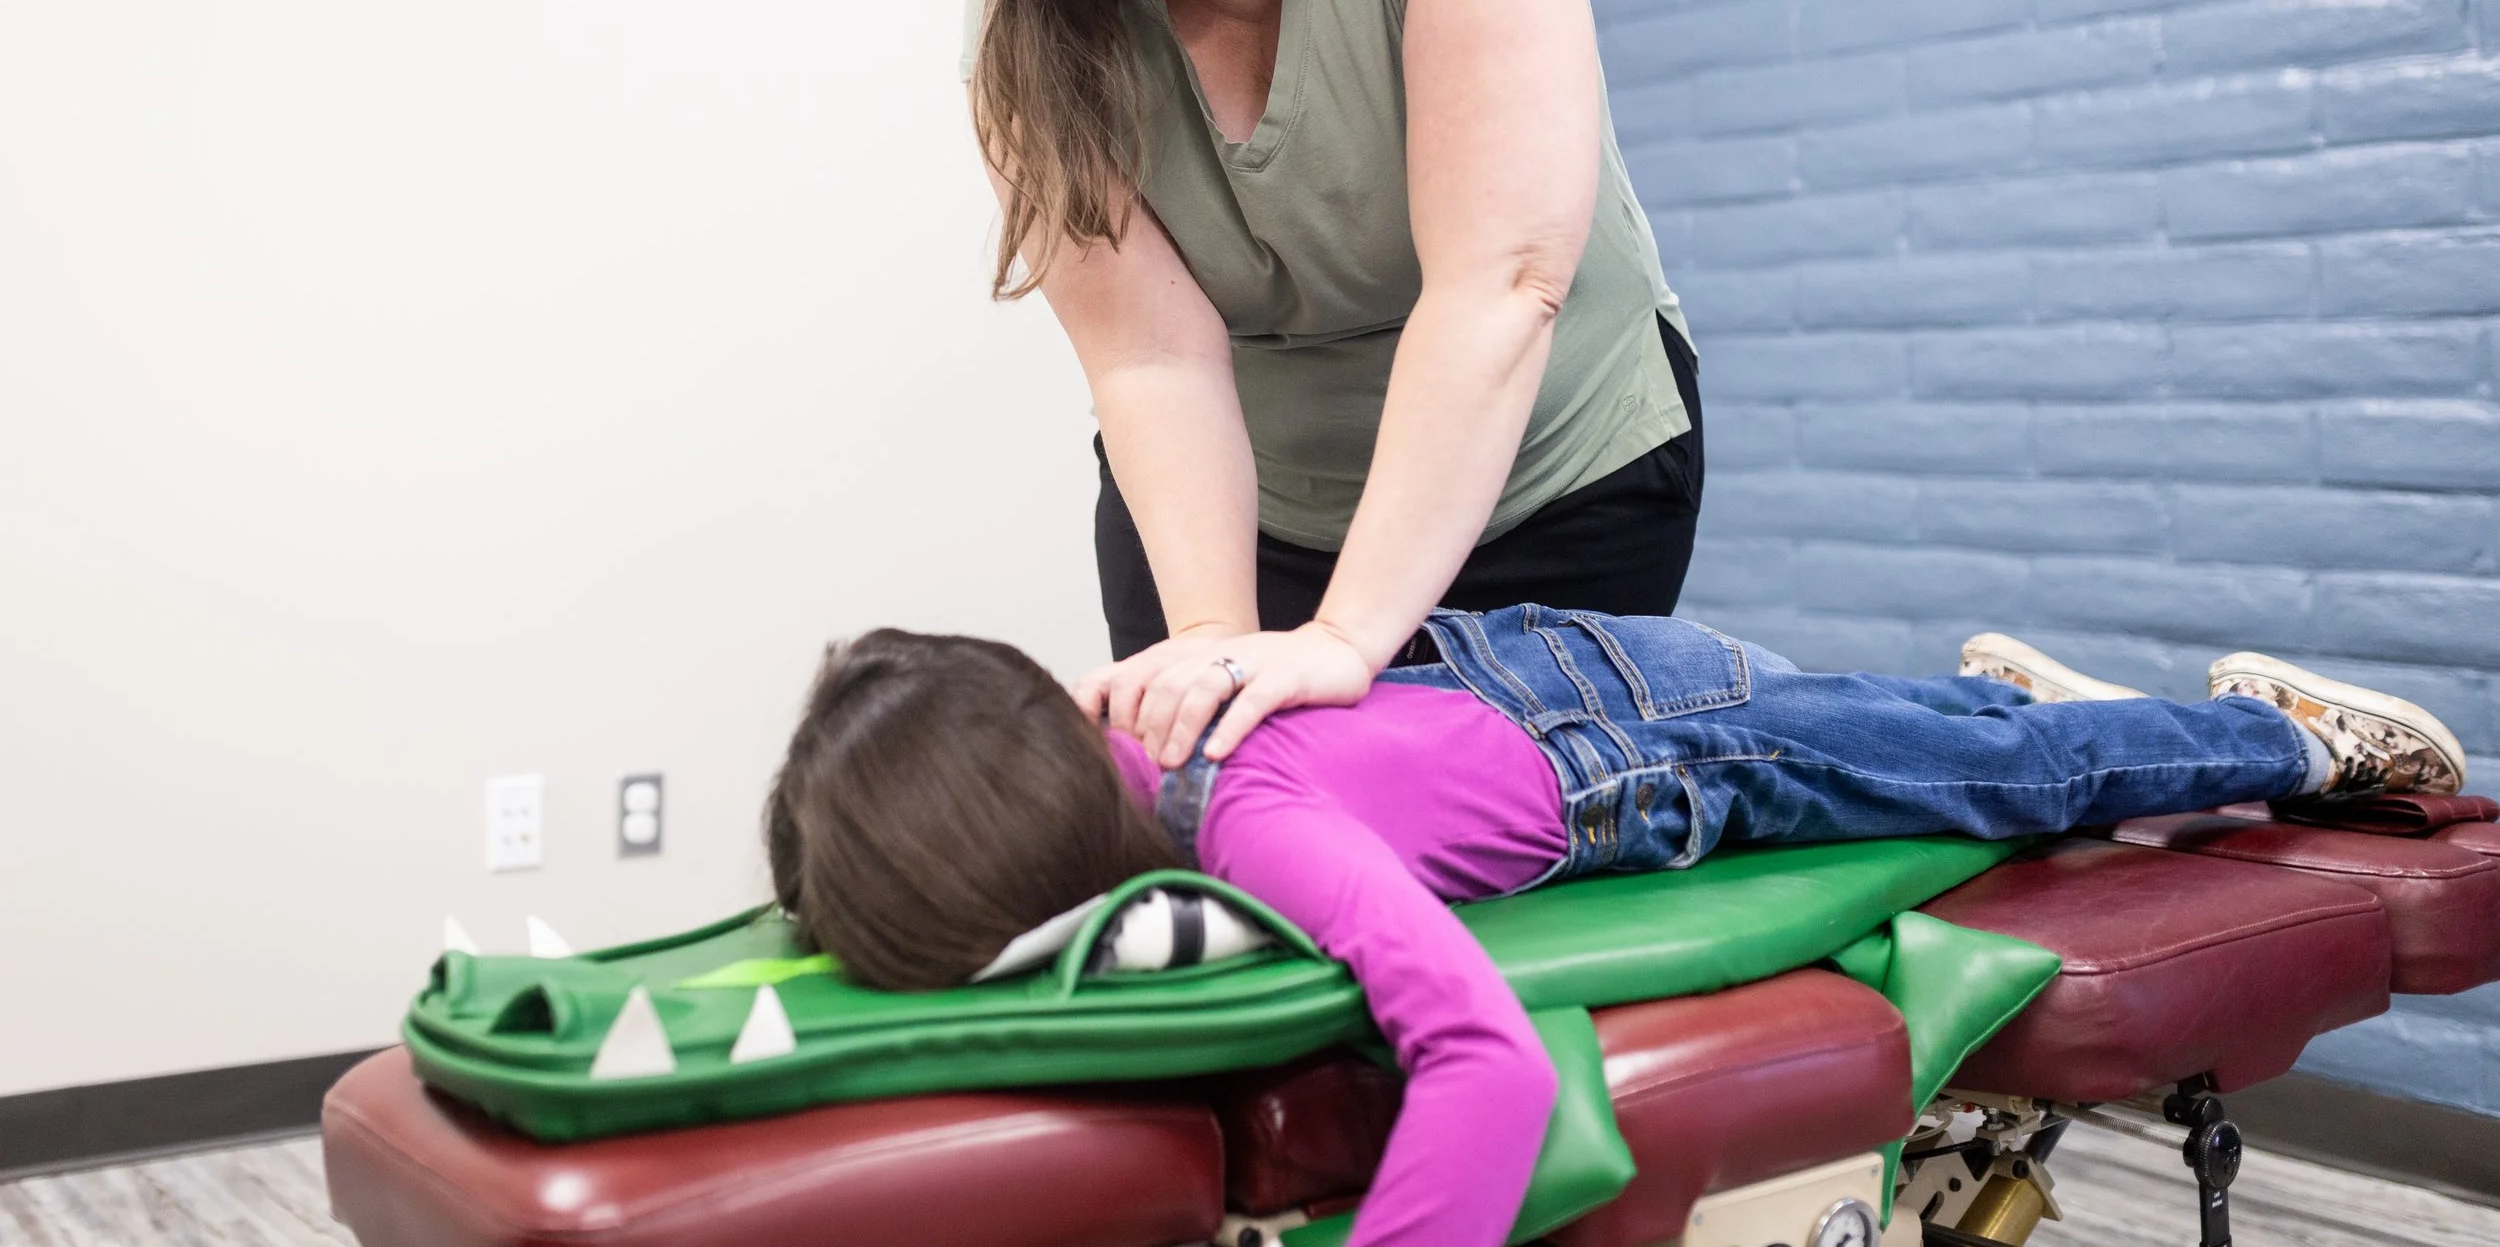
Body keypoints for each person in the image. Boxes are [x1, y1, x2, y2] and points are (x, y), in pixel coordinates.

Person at [764, 612, 2467, 1247]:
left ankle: (2294, 739)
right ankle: (2010, 718)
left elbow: (1486, 1070)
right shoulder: (1108, 754)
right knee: (1967, 745)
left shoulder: (1258, 824)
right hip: (1505, 692)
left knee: (2007, 773)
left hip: (1638, 734)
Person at [951, 0, 1702, 771]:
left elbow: (1501, 281)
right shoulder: (1034, 27)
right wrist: (1210, 632)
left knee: (1516, 842)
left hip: (1550, 476)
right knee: (1224, 821)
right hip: (1250, 511)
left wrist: (1349, 636)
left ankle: (2026, 738)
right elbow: (1150, 358)